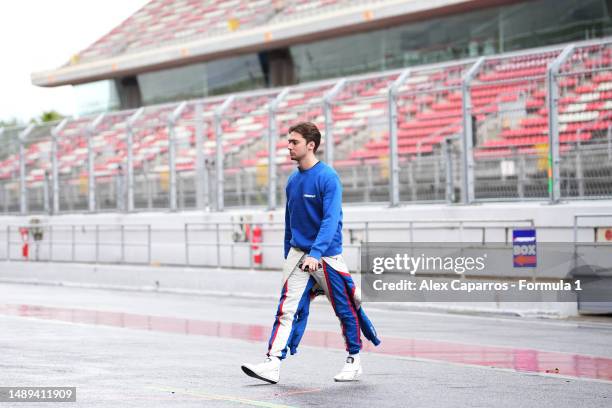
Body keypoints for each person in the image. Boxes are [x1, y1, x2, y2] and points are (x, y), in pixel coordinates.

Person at [241, 122, 380, 384]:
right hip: (298, 255)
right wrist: (288, 252)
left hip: (325, 257)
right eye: (288, 141)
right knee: (286, 309)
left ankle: (354, 359)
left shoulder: (328, 177)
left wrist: (316, 253)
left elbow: (331, 220)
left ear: (311, 145)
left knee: (346, 308)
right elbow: (290, 220)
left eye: (294, 142)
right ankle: (272, 363)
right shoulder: (293, 181)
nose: (289, 146)